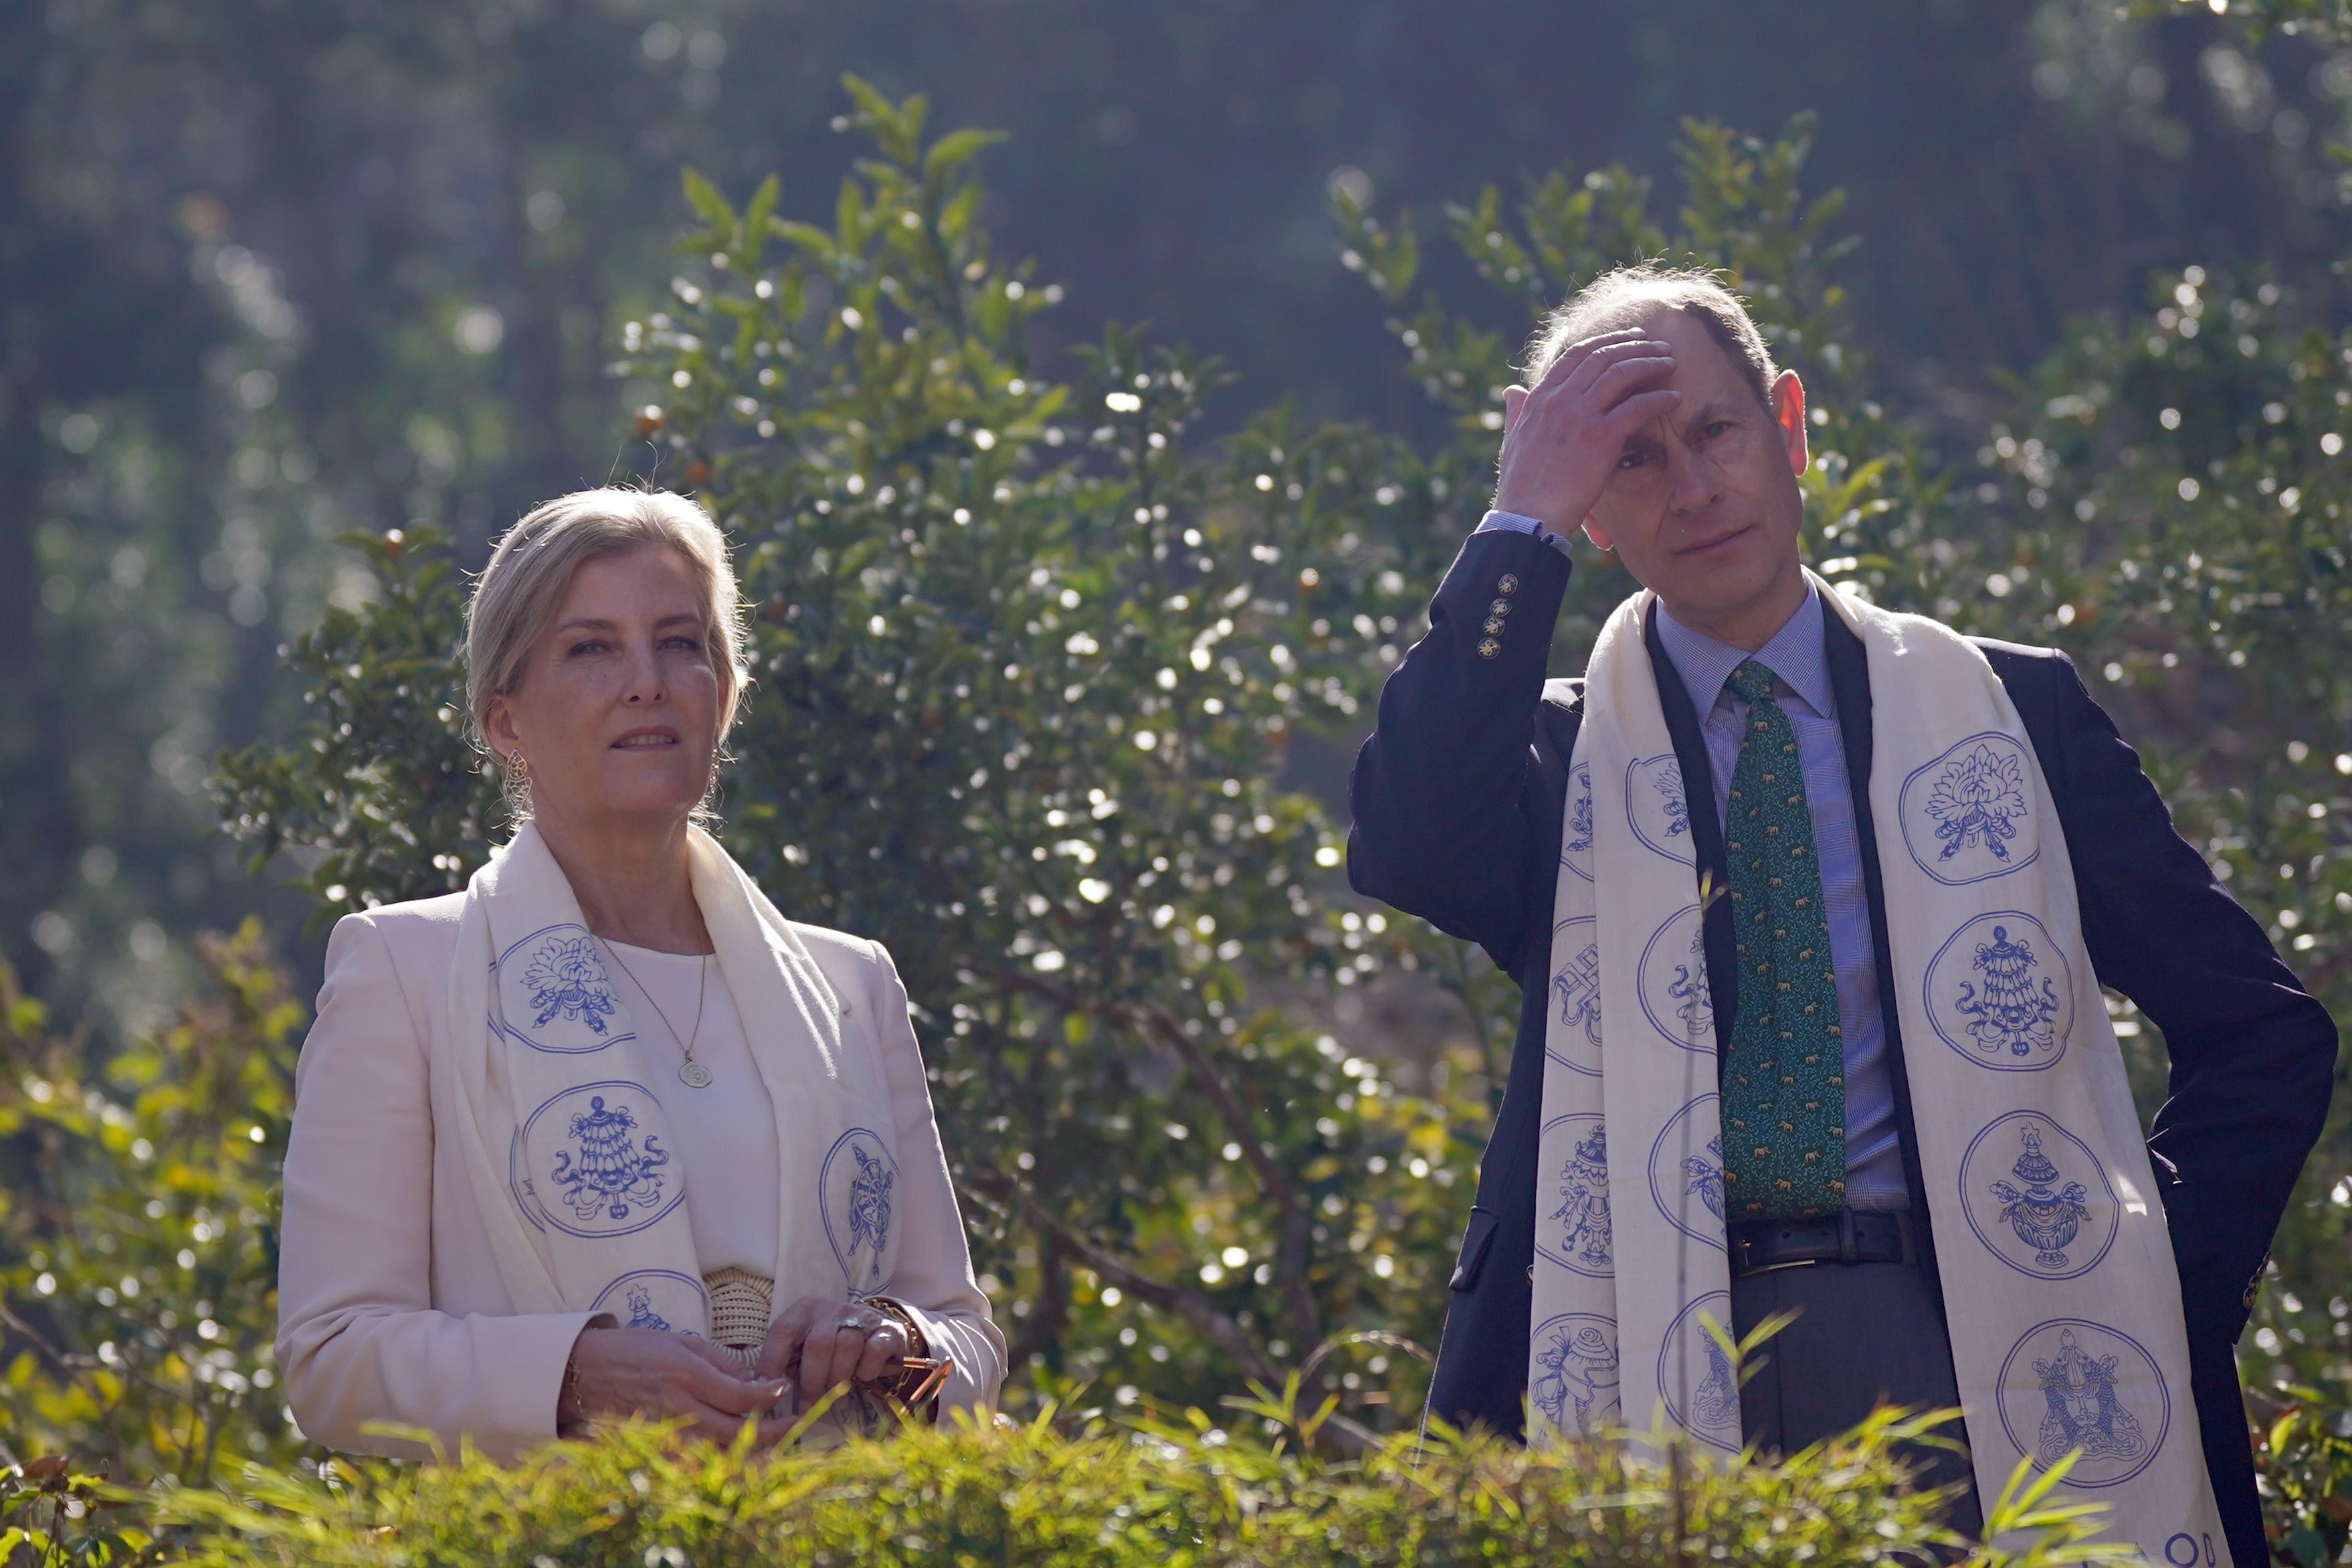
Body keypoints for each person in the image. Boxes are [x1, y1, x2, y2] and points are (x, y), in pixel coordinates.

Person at [1347, 265, 2336, 1567]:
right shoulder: (1552, 761)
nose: (1694, 488)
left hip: (1960, 1344)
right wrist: (1517, 520)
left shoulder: (2008, 711)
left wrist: (2152, 1279)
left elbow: (2260, 1032)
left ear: (1790, 426)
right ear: (1591, 509)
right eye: (1630, 461)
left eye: (1715, 431)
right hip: (1643, 1352)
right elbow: (1410, 840)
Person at [277, 488, 1004, 1460]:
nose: (647, 682)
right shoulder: (405, 971)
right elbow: (331, 1360)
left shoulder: (850, 986)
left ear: (724, 692)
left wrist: (897, 1341)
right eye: (591, 648)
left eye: (680, 643)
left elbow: (966, 1341)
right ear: (506, 721)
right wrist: (573, 1376)